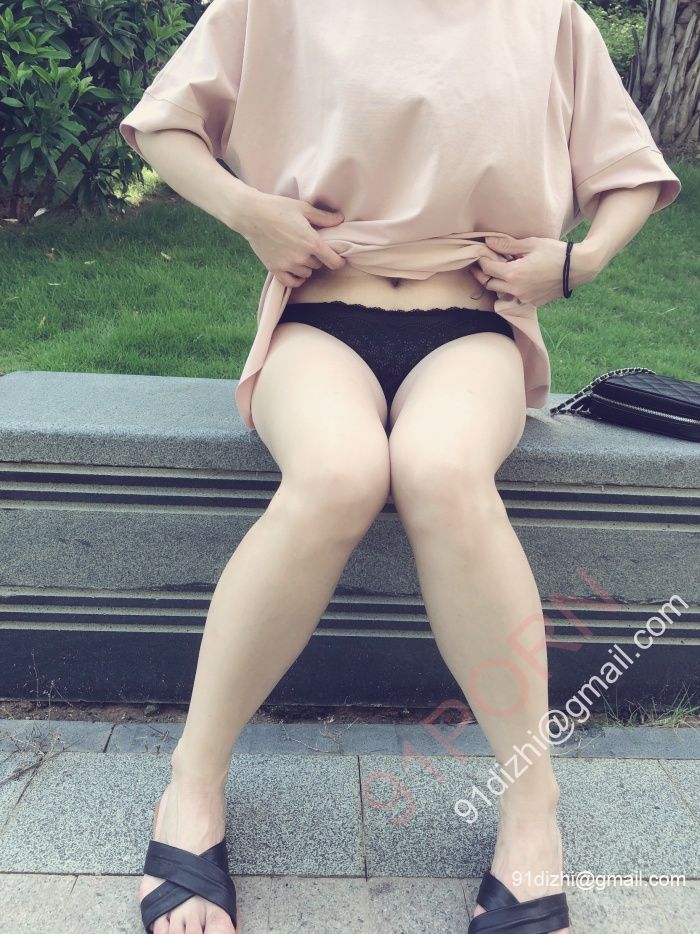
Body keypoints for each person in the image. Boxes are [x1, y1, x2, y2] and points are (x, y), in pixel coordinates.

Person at [119, 1, 682, 931]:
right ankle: (192, 780)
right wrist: (252, 214)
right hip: (319, 314)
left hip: (471, 319)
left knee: (442, 471)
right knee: (336, 474)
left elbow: (628, 173)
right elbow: (166, 124)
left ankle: (532, 803)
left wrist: (579, 263)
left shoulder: (546, 16)